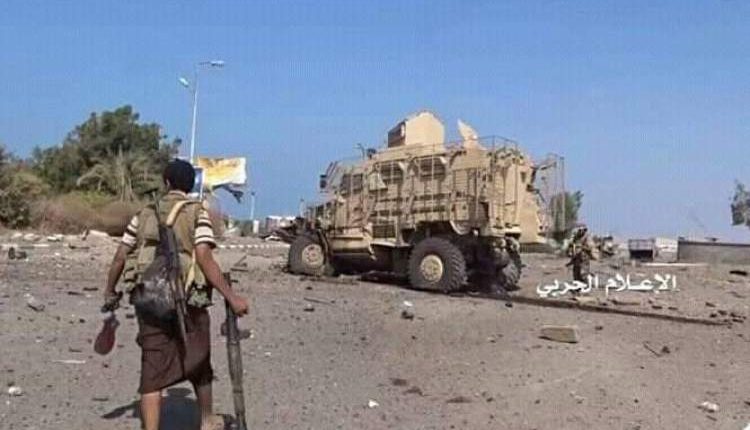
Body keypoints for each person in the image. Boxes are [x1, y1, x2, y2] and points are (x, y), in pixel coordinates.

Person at [102, 158, 249, 430]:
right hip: (189, 298)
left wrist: (110, 291)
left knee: (152, 367)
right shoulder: (196, 213)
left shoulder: (144, 213)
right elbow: (204, 256)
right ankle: (206, 419)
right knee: (199, 358)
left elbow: (121, 256)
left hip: (148, 299)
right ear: (191, 185)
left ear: (166, 182)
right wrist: (231, 297)